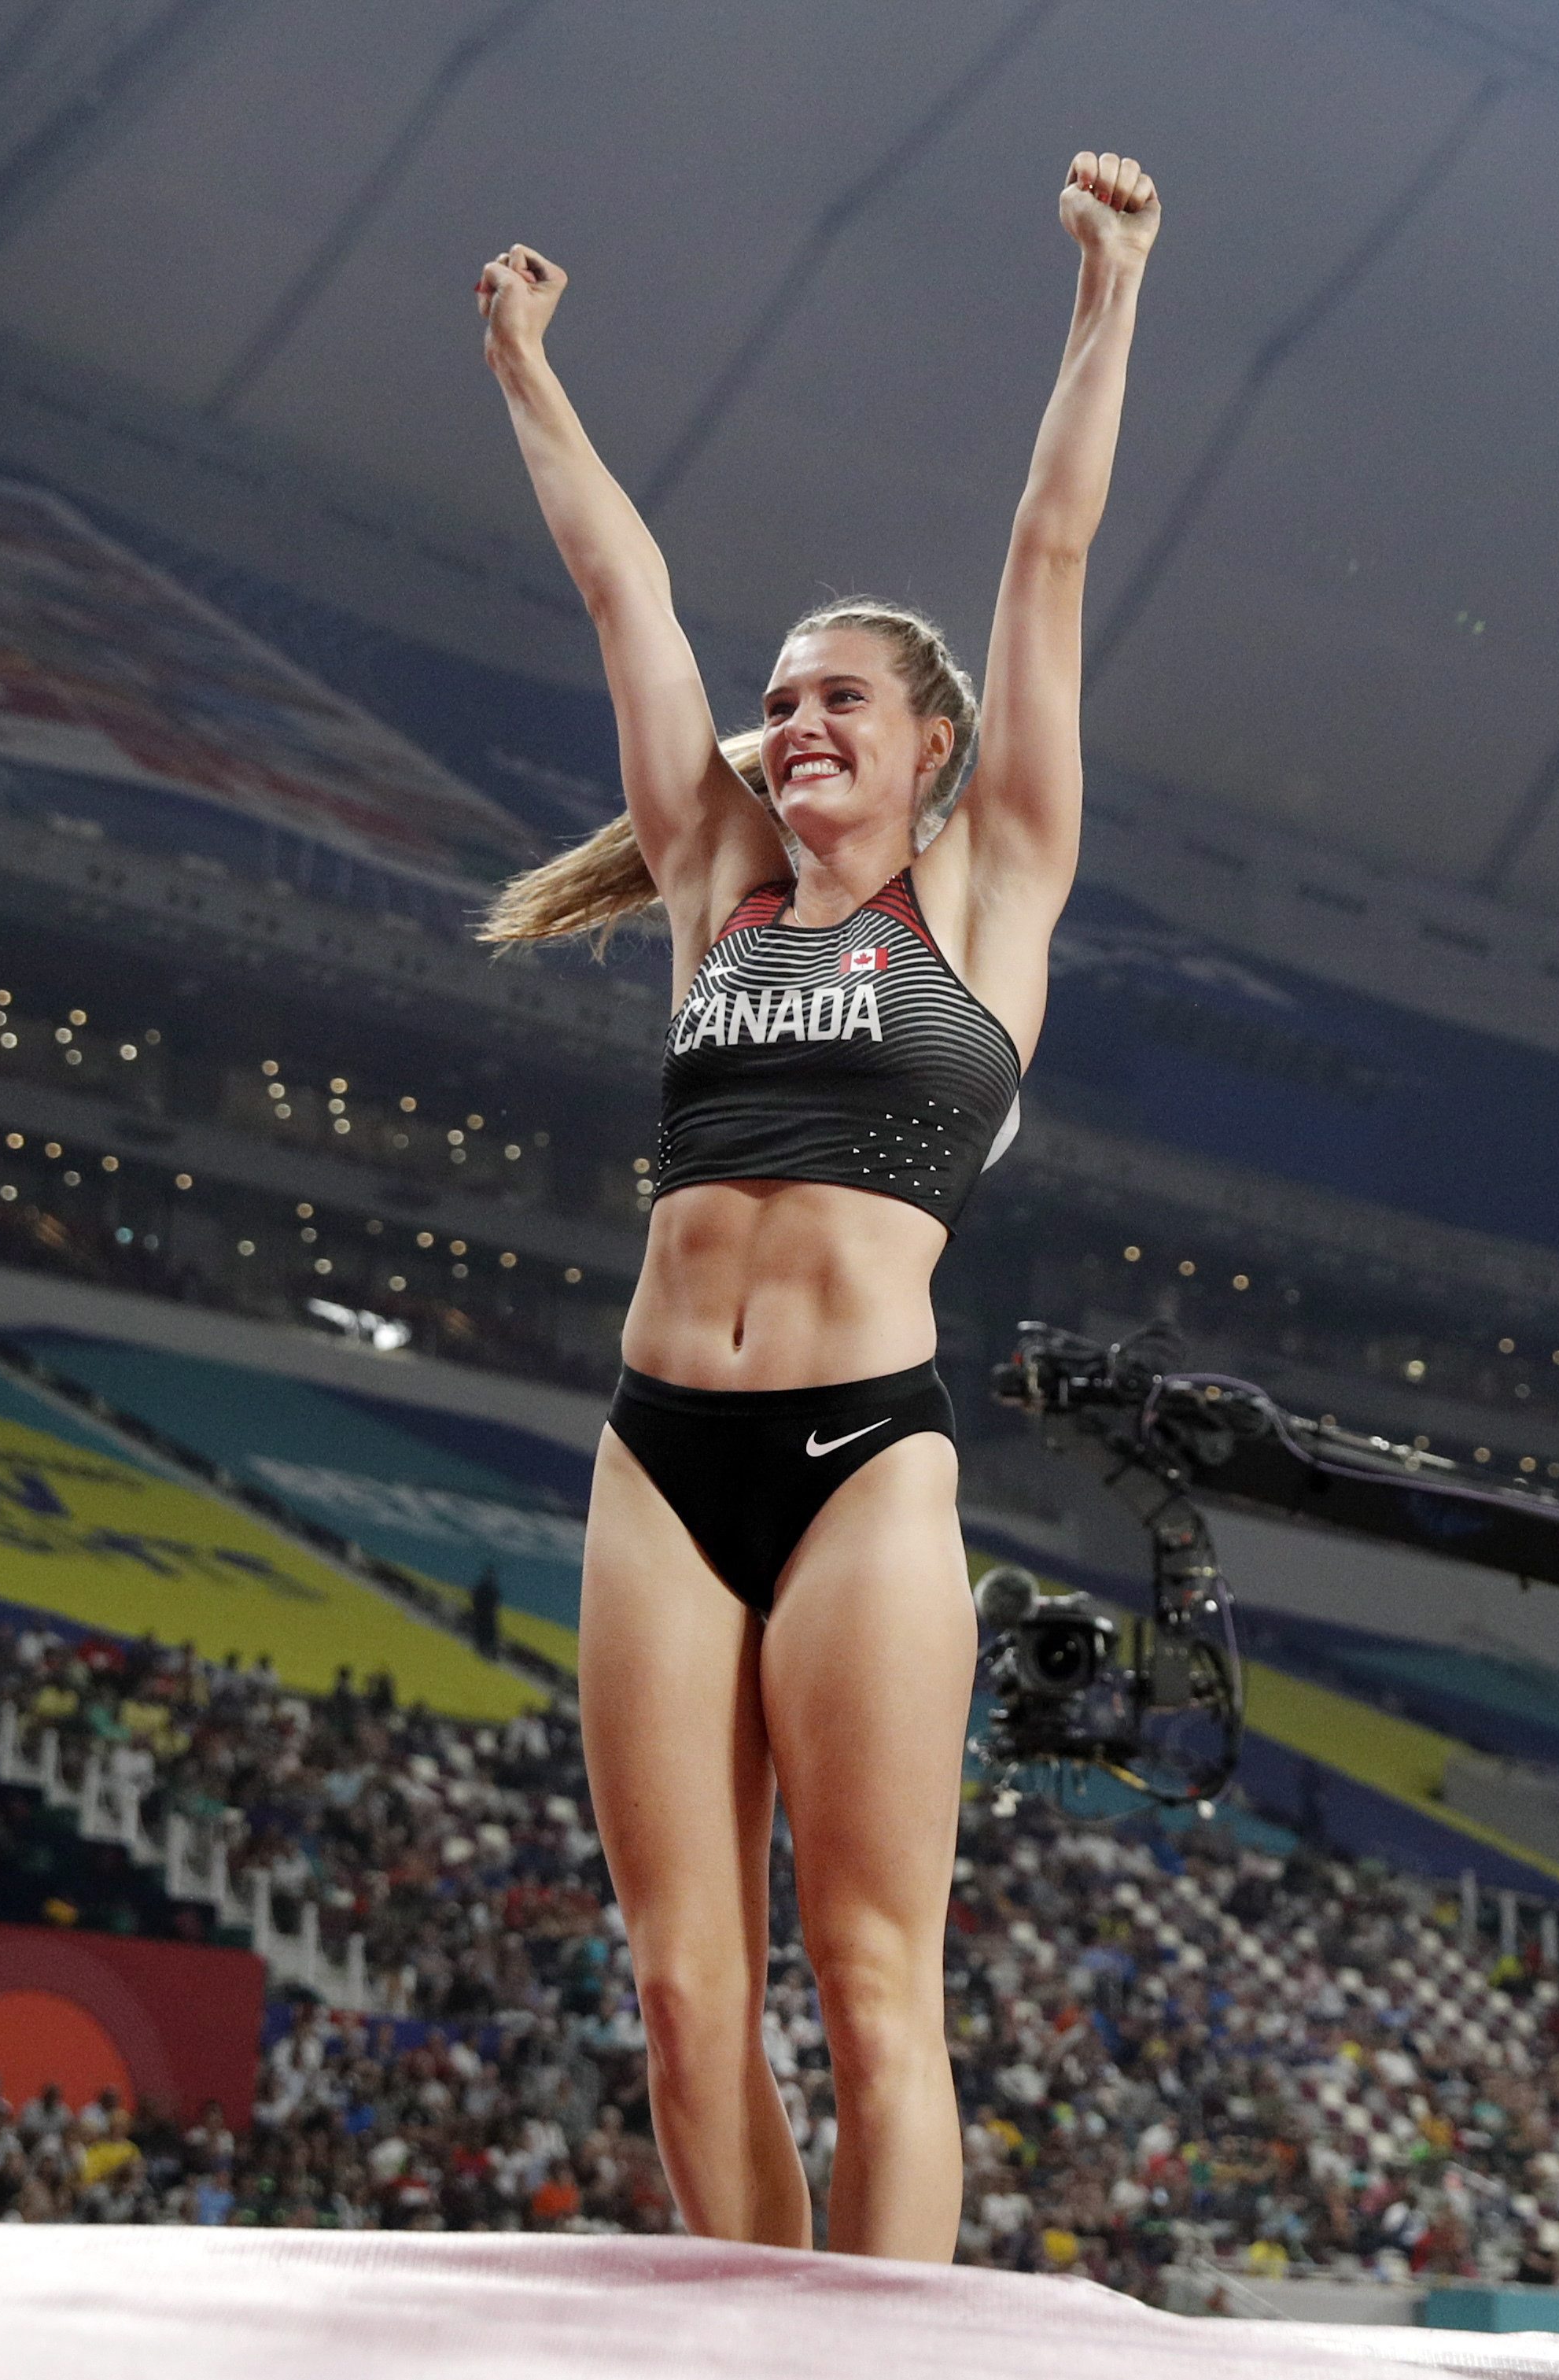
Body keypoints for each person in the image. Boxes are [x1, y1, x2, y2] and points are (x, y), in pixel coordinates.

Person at [470, 149, 1159, 2261]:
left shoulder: (995, 883)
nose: (789, 724)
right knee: (687, 1996)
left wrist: (1106, 294)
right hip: (660, 1447)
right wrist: (524, 365)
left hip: (868, 1461)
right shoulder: (712, 891)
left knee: (874, 1992)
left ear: (933, 742)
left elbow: (1048, 552)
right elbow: (622, 591)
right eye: (778, 704)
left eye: (834, 695)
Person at [467, 1564, 502, 1662]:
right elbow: (496, 1602)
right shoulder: (490, 1587)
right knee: (488, 1632)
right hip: (485, 1613)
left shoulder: (484, 1586)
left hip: (483, 1613)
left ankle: (487, 1651)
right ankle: (488, 1651)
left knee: (485, 1632)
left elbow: (474, 1597)